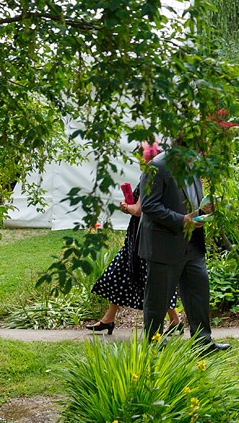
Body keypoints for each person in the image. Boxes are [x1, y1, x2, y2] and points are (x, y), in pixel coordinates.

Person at [137, 140, 229, 351]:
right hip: (164, 245)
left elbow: (191, 199)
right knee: (157, 299)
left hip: (192, 244)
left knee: (199, 291)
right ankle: (154, 343)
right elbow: (149, 205)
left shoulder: (192, 165)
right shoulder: (156, 167)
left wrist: (203, 210)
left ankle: (203, 342)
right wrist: (181, 220)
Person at [84, 142, 182, 335]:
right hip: (136, 239)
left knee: (151, 282)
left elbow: (139, 210)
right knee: (121, 273)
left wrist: (126, 207)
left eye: (140, 157)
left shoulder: (152, 174)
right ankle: (109, 319)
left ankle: (175, 319)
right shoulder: (155, 173)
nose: (138, 161)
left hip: (145, 240)